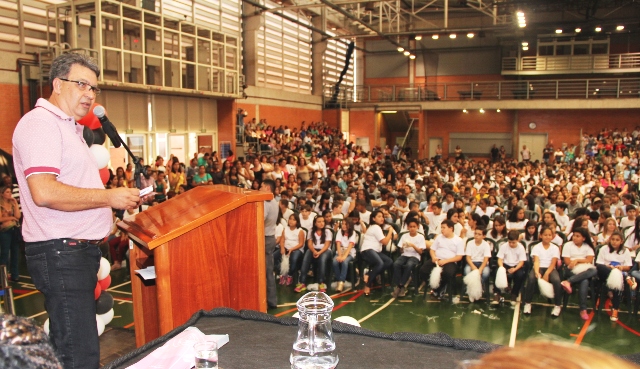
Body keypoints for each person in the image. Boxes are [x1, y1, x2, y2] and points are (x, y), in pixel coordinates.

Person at [12, 52, 140, 369]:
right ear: (57, 84)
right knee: (77, 355)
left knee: (75, 349)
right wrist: (109, 199)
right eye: (81, 84)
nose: (89, 94)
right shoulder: (40, 124)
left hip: (73, 252)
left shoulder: (68, 127)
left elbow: (76, 191)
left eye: (93, 88)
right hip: (62, 253)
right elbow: (44, 192)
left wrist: (111, 218)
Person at [522, 226, 563, 317]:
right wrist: (537, 272)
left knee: (556, 281)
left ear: (552, 236)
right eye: (545, 235)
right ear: (541, 236)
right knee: (531, 278)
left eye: (549, 235)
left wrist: (547, 274)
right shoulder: (536, 247)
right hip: (539, 267)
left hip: (550, 268)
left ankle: (557, 305)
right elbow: (536, 261)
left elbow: (553, 263)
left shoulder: (555, 248)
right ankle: (528, 303)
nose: (547, 237)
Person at [420, 219, 465, 299]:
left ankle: (439, 289)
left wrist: (445, 261)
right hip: (437, 259)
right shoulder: (439, 237)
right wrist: (433, 257)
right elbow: (432, 249)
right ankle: (434, 287)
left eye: (444, 227)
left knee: (447, 273)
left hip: (450, 261)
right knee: (423, 270)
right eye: (441, 227)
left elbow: (459, 257)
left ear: (451, 228)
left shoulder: (458, 240)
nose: (442, 230)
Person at [560, 227, 597, 320]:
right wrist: (579, 263)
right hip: (570, 270)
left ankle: (568, 282)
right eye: (574, 236)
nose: (575, 238)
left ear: (583, 238)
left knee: (593, 271)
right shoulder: (568, 245)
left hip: (584, 269)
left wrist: (577, 260)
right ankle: (583, 309)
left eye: (578, 236)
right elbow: (568, 262)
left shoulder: (587, 247)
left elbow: (589, 260)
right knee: (584, 280)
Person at [596, 231, 632, 321]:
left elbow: (628, 267)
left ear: (621, 241)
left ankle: (615, 309)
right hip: (605, 272)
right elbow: (599, 264)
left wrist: (620, 267)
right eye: (612, 239)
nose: (614, 242)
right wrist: (609, 267)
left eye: (617, 240)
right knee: (604, 269)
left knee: (616, 279)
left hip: (619, 273)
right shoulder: (604, 249)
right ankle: (626, 278)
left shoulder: (625, 251)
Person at [360, 210, 396, 296]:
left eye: (382, 216)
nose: (382, 218)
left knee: (389, 261)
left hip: (376, 251)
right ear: (373, 218)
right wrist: (390, 231)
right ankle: (368, 285)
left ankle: (369, 274)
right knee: (380, 263)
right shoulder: (375, 227)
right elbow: (385, 242)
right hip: (367, 250)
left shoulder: (377, 227)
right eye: (379, 216)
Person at [295, 216, 332, 293]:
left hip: (325, 250)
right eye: (319, 222)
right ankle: (302, 282)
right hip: (314, 249)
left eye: (323, 221)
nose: (321, 223)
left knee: (322, 259)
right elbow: (310, 244)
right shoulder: (311, 231)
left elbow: (327, 245)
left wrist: (319, 252)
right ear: (315, 223)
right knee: (306, 257)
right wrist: (314, 251)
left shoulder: (328, 231)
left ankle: (321, 283)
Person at [392, 218, 426, 298]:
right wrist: (402, 247)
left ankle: (400, 286)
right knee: (396, 264)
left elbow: (421, 252)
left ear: (417, 227)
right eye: (410, 226)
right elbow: (400, 251)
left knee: (409, 265)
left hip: (415, 256)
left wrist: (413, 246)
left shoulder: (421, 237)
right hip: (405, 255)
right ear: (408, 227)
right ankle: (400, 285)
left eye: (414, 226)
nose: (412, 228)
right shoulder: (404, 236)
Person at [495, 230, 527, 305]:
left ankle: (514, 294)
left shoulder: (521, 248)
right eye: (510, 242)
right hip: (505, 265)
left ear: (517, 240)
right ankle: (496, 293)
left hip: (516, 266)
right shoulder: (504, 246)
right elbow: (500, 259)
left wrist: (515, 269)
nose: (511, 244)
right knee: (497, 271)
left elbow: (522, 261)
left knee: (520, 275)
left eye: (513, 242)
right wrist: (501, 268)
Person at [261, 179, 278, 309]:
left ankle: (268, 300)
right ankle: (271, 300)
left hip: (265, 238)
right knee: (269, 270)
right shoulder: (275, 201)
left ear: (267, 188)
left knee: (265, 271)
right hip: (271, 237)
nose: (260, 189)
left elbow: (261, 219)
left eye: (261, 187)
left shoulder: (266, 203)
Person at [278, 213, 305, 287]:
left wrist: (291, 249)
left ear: (297, 221)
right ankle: (282, 274)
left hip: (296, 249)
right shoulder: (285, 229)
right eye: (290, 219)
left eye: (294, 219)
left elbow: (301, 243)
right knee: (275, 256)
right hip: (286, 247)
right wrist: (282, 248)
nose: (291, 221)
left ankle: (290, 276)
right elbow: (282, 240)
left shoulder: (300, 231)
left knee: (294, 258)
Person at [0, 186, 21, 281]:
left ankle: (15, 274)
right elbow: (1, 219)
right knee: (4, 254)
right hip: (5, 231)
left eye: (10, 192)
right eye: (7, 192)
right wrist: (11, 218)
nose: (10, 194)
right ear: (2, 194)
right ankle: (2, 277)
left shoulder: (12, 203)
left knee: (15, 253)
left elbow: (18, 216)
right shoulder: (0, 205)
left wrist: (15, 203)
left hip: (14, 230)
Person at [332, 218, 357, 292]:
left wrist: (344, 257)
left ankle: (341, 282)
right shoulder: (340, 231)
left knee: (345, 262)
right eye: (342, 224)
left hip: (349, 252)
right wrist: (340, 255)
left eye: (345, 224)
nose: (343, 226)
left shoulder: (353, 233)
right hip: (340, 251)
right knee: (334, 262)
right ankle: (339, 279)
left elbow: (350, 246)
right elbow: (338, 243)